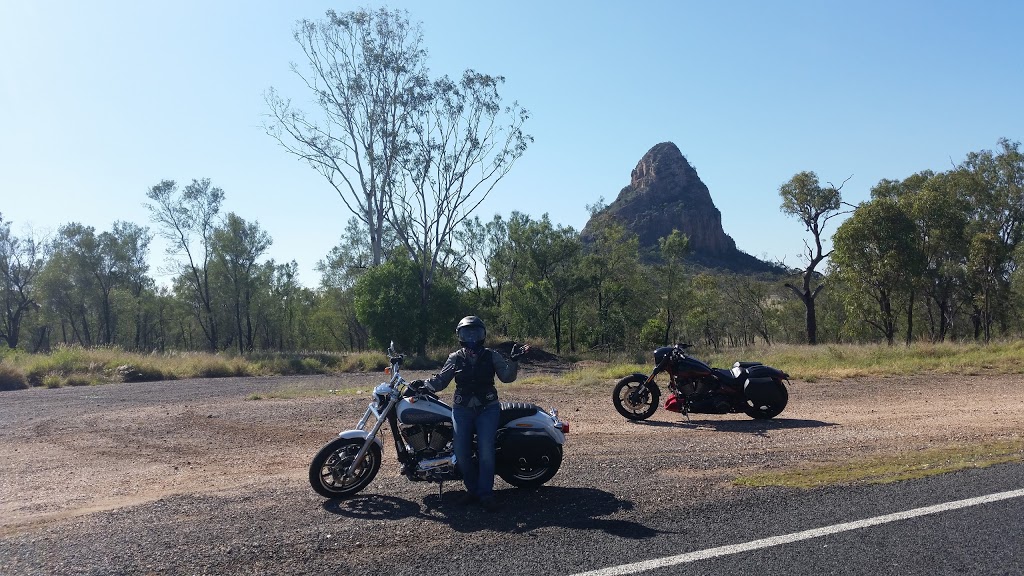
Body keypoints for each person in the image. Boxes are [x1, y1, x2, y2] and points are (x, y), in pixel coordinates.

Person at [410, 316, 529, 511]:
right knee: (460, 450)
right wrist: (421, 384)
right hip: (462, 408)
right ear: (460, 335)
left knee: (485, 449)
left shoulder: (492, 355)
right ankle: (472, 490)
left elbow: (507, 377)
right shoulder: (455, 357)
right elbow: (441, 381)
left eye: (476, 332)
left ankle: (486, 494)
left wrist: (514, 361)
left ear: (483, 335)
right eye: (467, 333)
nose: (472, 336)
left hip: (487, 407)